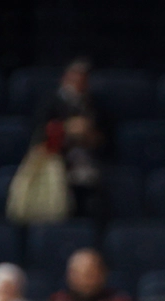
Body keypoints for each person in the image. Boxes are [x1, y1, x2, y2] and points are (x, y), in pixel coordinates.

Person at [34, 60, 109, 221]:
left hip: (89, 167)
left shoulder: (94, 105)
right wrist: (67, 128)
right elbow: (40, 138)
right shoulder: (51, 103)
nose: (78, 83)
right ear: (66, 78)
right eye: (75, 78)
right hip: (58, 167)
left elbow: (106, 140)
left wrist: (89, 135)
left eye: (83, 79)